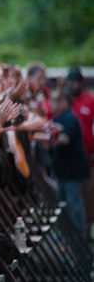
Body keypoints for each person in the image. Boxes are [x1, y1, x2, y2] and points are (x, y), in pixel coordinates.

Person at [49, 89, 90, 237]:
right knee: (65, 206)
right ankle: (69, 239)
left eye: (54, 101)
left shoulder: (69, 118)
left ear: (64, 103)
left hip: (72, 172)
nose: (51, 104)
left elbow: (65, 139)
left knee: (75, 206)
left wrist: (46, 138)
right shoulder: (59, 117)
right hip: (64, 171)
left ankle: (79, 239)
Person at [66, 67, 94, 236]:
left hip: (89, 159)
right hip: (70, 161)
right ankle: (73, 235)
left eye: (78, 81)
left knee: (89, 197)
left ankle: (88, 231)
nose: (75, 84)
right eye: (72, 81)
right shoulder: (64, 101)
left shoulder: (90, 100)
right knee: (72, 199)